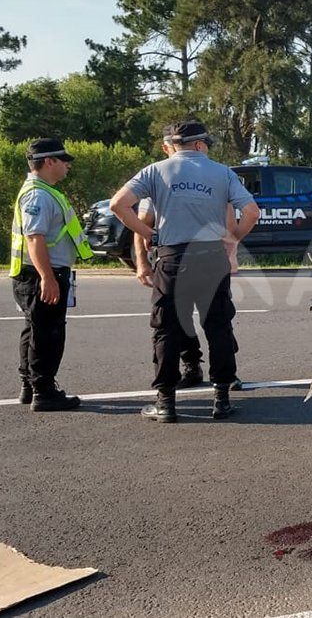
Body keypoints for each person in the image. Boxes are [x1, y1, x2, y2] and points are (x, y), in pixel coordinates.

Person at [110, 121, 259, 423]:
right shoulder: (222, 173)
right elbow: (252, 212)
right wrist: (234, 237)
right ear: (201, 144)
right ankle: (222, 398)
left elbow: (118, 204)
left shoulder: (155, 171)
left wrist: (149, 234)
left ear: (173, 145)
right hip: (211, 256)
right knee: (218, 326)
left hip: (173, 257)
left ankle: (166, 403)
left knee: (167, 329)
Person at [9, 138, 94, 411]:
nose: (68, 165)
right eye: (63, 160)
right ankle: (44, 391)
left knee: (35, 329)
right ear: (49, 162)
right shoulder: (39, 195)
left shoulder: (43, 190)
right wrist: (47, 278)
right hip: (41, 274)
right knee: (48, 333)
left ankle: (30, 385)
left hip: (37, 273)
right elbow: (35, 238)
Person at [133, 195, 244, 390]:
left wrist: (231, 255)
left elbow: (229, 222)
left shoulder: (208, 183)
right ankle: (193, 366)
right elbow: (141, 225)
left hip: (204, 258)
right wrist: (142, 263)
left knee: (216, 320)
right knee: (180, 319)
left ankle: (226, 376)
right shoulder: (157, 186)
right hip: (174, 261)